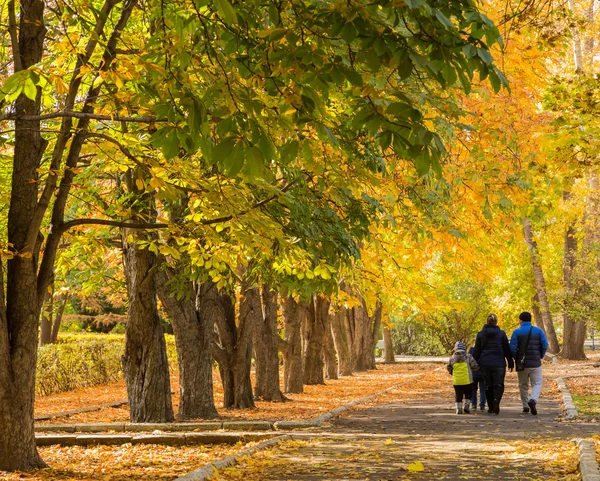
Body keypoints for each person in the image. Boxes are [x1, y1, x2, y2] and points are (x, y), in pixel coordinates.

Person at [472, 313, 514, 415]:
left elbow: (477, 350)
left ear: (487, 321)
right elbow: (506, 348)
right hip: (499, 363)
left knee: (488, 385)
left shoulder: (480, 334)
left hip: (485, 363)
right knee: (499, 384)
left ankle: (491, 407)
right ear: (496, 322)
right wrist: (510, 362)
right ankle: (496, 401)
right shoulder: (501, 334)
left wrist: (472, 363)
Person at [509, 311, 548, 415]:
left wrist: (516, 358)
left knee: (523, 385)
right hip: (536, 363)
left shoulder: (516, 332)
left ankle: (525, 406)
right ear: (530, 320)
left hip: (522, 364)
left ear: (520, 320)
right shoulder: (538, 331)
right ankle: (533, 400)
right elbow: (545, 345)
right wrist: (540, 355)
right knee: (537, 383)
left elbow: (512, 348)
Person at [447, 341, 479, 414]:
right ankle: (467, 405)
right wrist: (475, 370)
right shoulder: (468, 356)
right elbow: (474, 366)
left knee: (458, 394)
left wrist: (452, 373)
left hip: (457, 381)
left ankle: (458, 408)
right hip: (467, 380)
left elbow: (449, 367)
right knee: (468, 393)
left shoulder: (452, 358)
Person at [469, 346, 486, 411]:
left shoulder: (472, 350)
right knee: (483, 390)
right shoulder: (484, 350)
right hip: (483, 372)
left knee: (473, 389)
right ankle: (482, 405)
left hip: (474, 372)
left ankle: (473, 404)